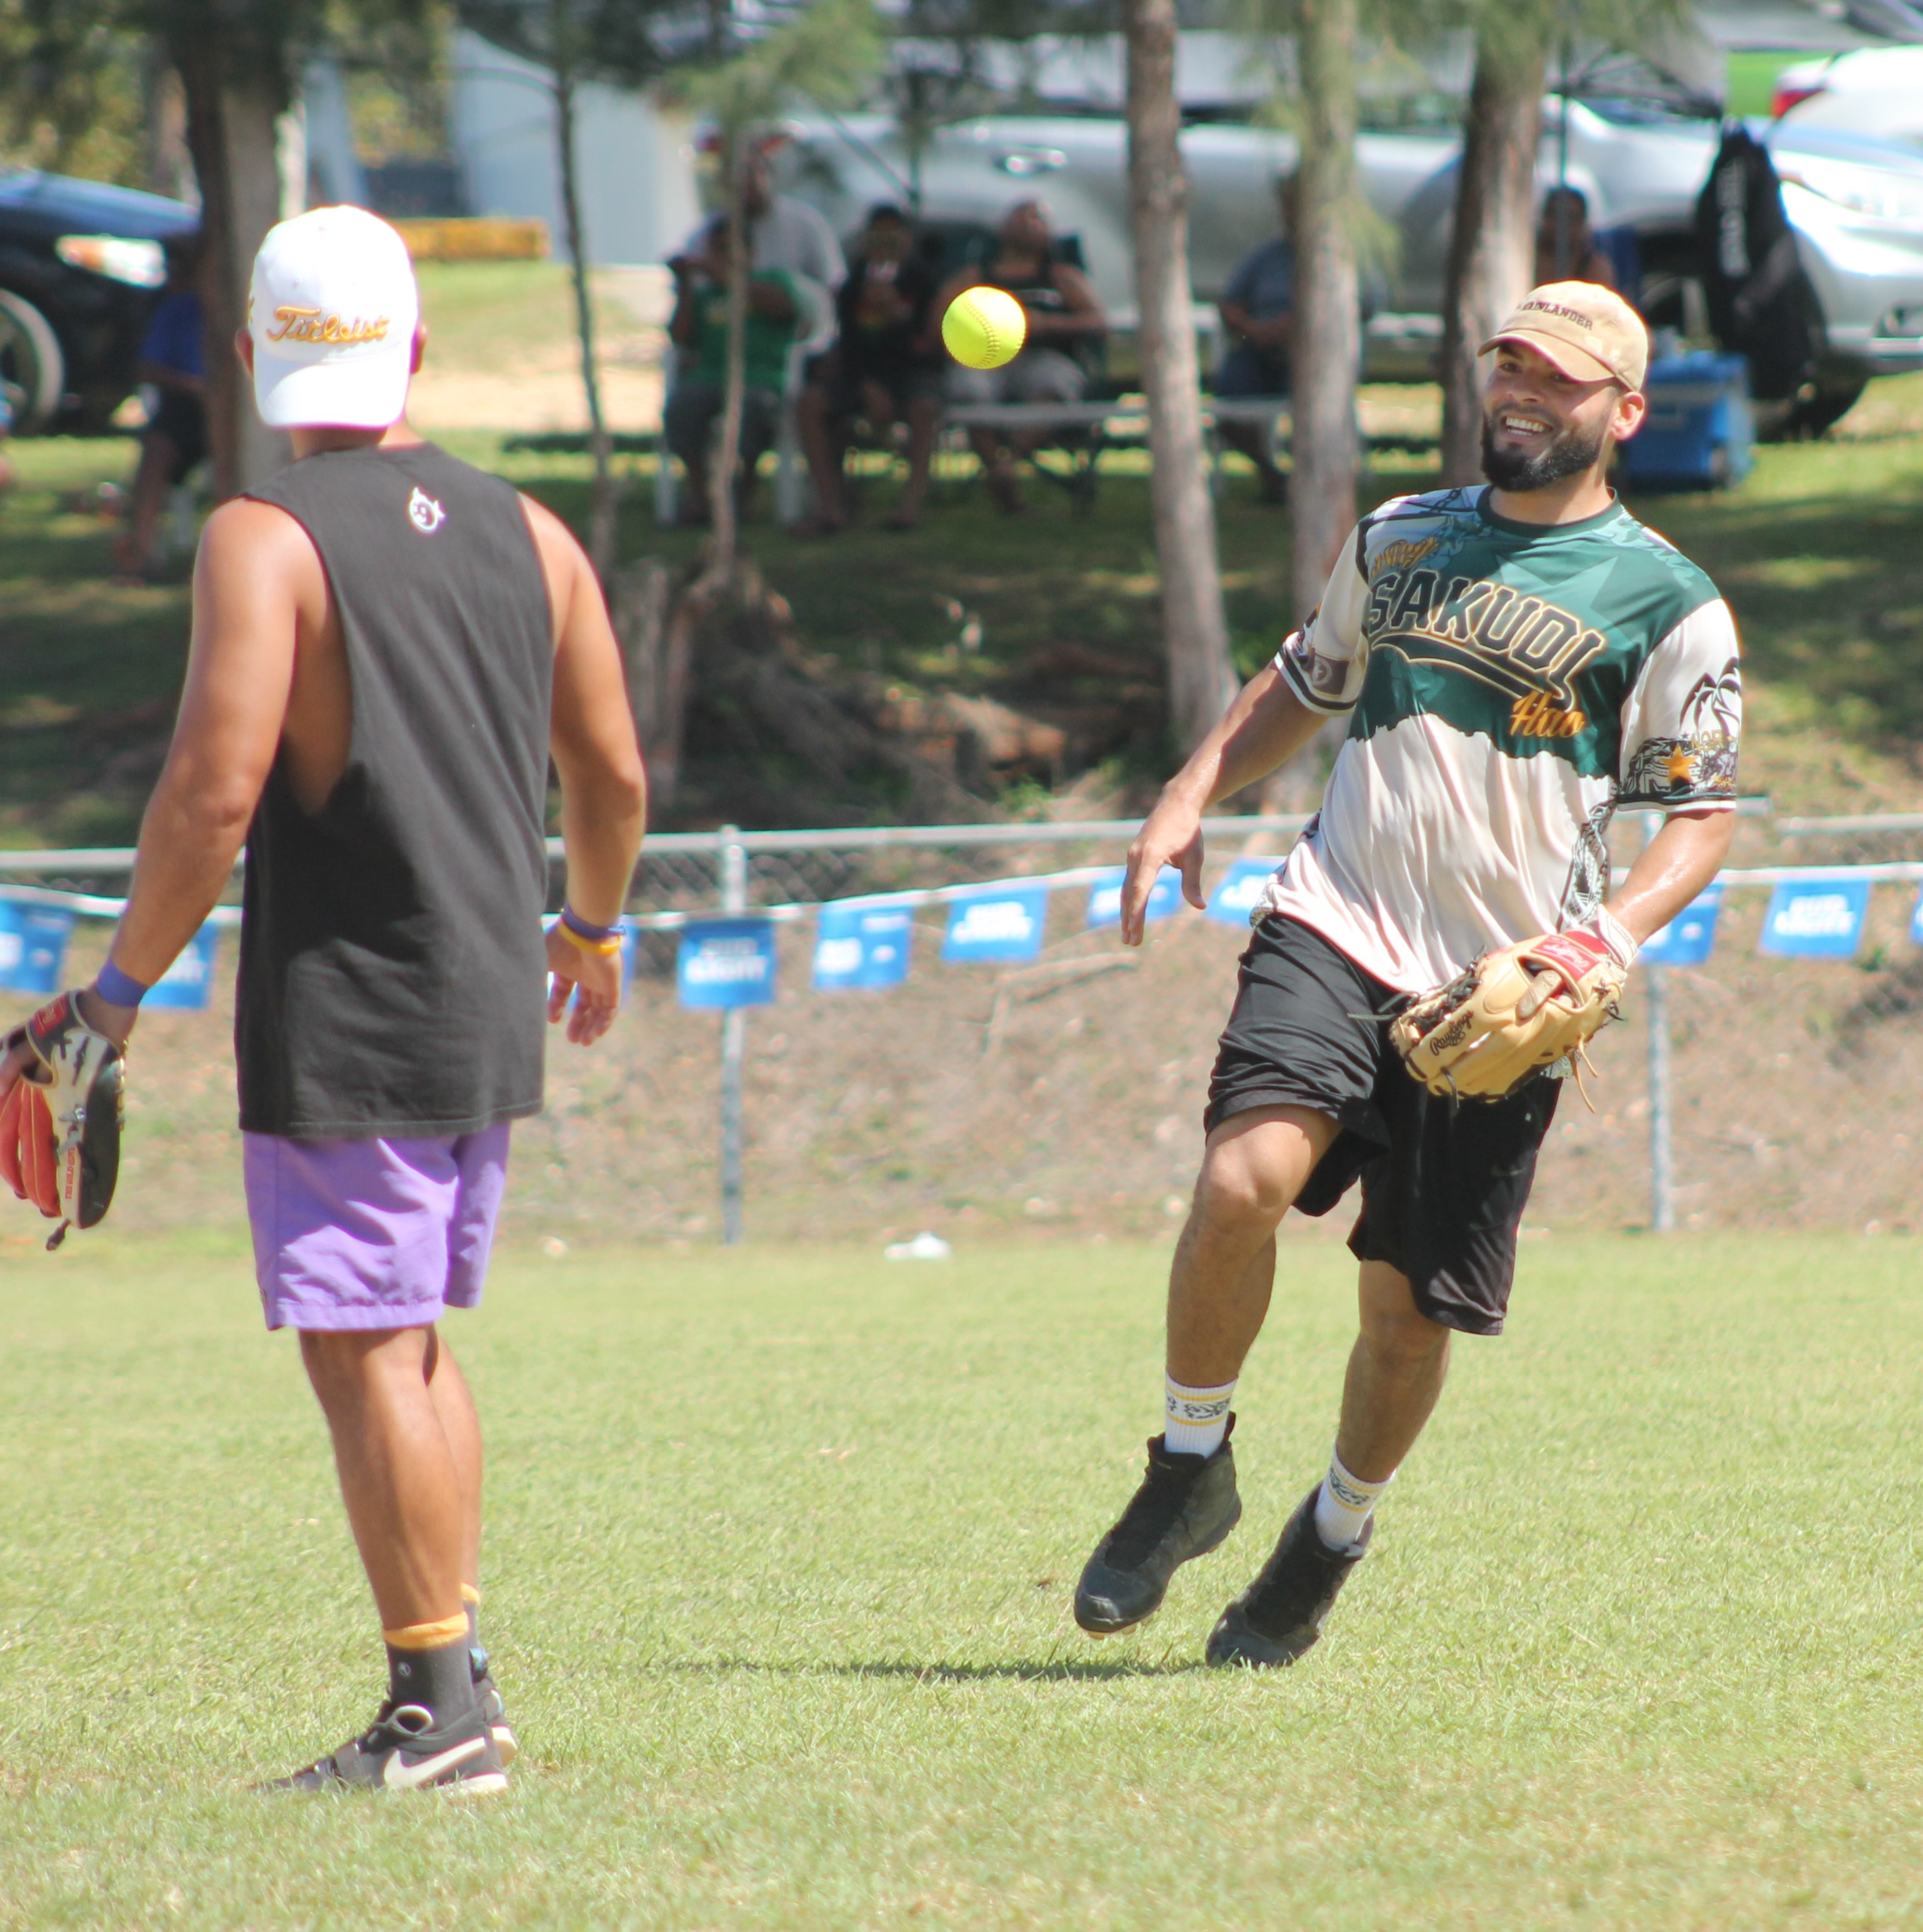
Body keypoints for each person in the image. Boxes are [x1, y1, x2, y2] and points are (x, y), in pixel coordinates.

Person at [0, 204, 646, 1790]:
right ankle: (461, 1677)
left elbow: (212, 794)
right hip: (485, 998)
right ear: (413, 349)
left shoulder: (261, 534)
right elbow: (614, 771)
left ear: (252, 362)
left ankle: (440, 1710)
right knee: (407, 1342)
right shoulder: (534, 533)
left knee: (364, 1347)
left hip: (348, 999)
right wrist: (591, 927)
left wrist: (111, 993)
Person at [1071, 282, 1742, 1668]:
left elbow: (1701, 814)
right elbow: (1309, 681)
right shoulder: (1403, 534)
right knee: (1240, 1178)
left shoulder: (1668, 599)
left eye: (1555, 379)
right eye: (1507, 366)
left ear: (1621, 412)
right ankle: (1188, 1462)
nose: (1518, 392)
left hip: (1497, 993)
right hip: (1336, 915)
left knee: (1403, 1307)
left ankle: (1330, 1534)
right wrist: (1191, 785)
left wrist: (1598, 939)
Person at [934, 199, 1106, 514]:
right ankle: (1008, 491)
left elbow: (1099, 323)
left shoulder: (1061, 278)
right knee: (967, 386)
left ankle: (1005, 466)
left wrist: (1046, 323)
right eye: (1020, 215)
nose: (1029, 222)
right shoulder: (974, 276)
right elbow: (937, 323)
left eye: (1039, 217)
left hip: (1044, 357)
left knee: (1054, 383)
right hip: (987, 359)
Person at [796, 204, 944, 533]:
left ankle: (909, 506)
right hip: (862, 375)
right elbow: (848, 344)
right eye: (877, 238)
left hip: (911, 374)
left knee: (925, 408)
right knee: (810, 403)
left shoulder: (924, 282)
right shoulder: (852, 287)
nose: (884, 247)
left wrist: (896, 313)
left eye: (893, 238)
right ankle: (829, 506)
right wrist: (867, 384)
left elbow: (928, 345)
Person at [664, 219, 802, 526]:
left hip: (760, 378)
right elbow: (680, 338)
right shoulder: (704, 295)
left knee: (756, 411)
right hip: (708, 376)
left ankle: (744, 493)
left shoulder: (773, 280)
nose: (723, 256)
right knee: (682, 408)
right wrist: (685, 286)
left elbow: (786, 310)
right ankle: (703, 494)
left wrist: (732, 280)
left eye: (731, 249)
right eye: (717, 250)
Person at [115, 236, 208, 582]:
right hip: (185, 408)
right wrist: (197, 388)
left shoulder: (239, 306)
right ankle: (139, 554)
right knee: (154, 455)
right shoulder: (176, 310)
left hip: (239, 411)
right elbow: (149, 368)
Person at [1215, 176, 1298, 506]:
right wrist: (1253, 327)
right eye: (1288, 205)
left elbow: (1367, 305)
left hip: (1313, 357)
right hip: (1260, 347)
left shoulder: (1347, 255)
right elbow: (1228, 304)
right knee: (1226, 402)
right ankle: (1272, 475)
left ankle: (1306, 477)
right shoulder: (1267, 257)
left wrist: (1303, 327)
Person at [678, 147, 845, 295]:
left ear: (769, 173)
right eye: (735, 174)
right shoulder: (708, 232)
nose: (745, 181)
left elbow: (830, 284)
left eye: (751, 171)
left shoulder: (807, 224)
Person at [1535, 187, 1618, 293]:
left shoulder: (1596, 268)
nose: (1562, 224)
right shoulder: (1525, 260)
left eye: (1571, 218)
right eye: (1554, 214)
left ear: (1583, 223)